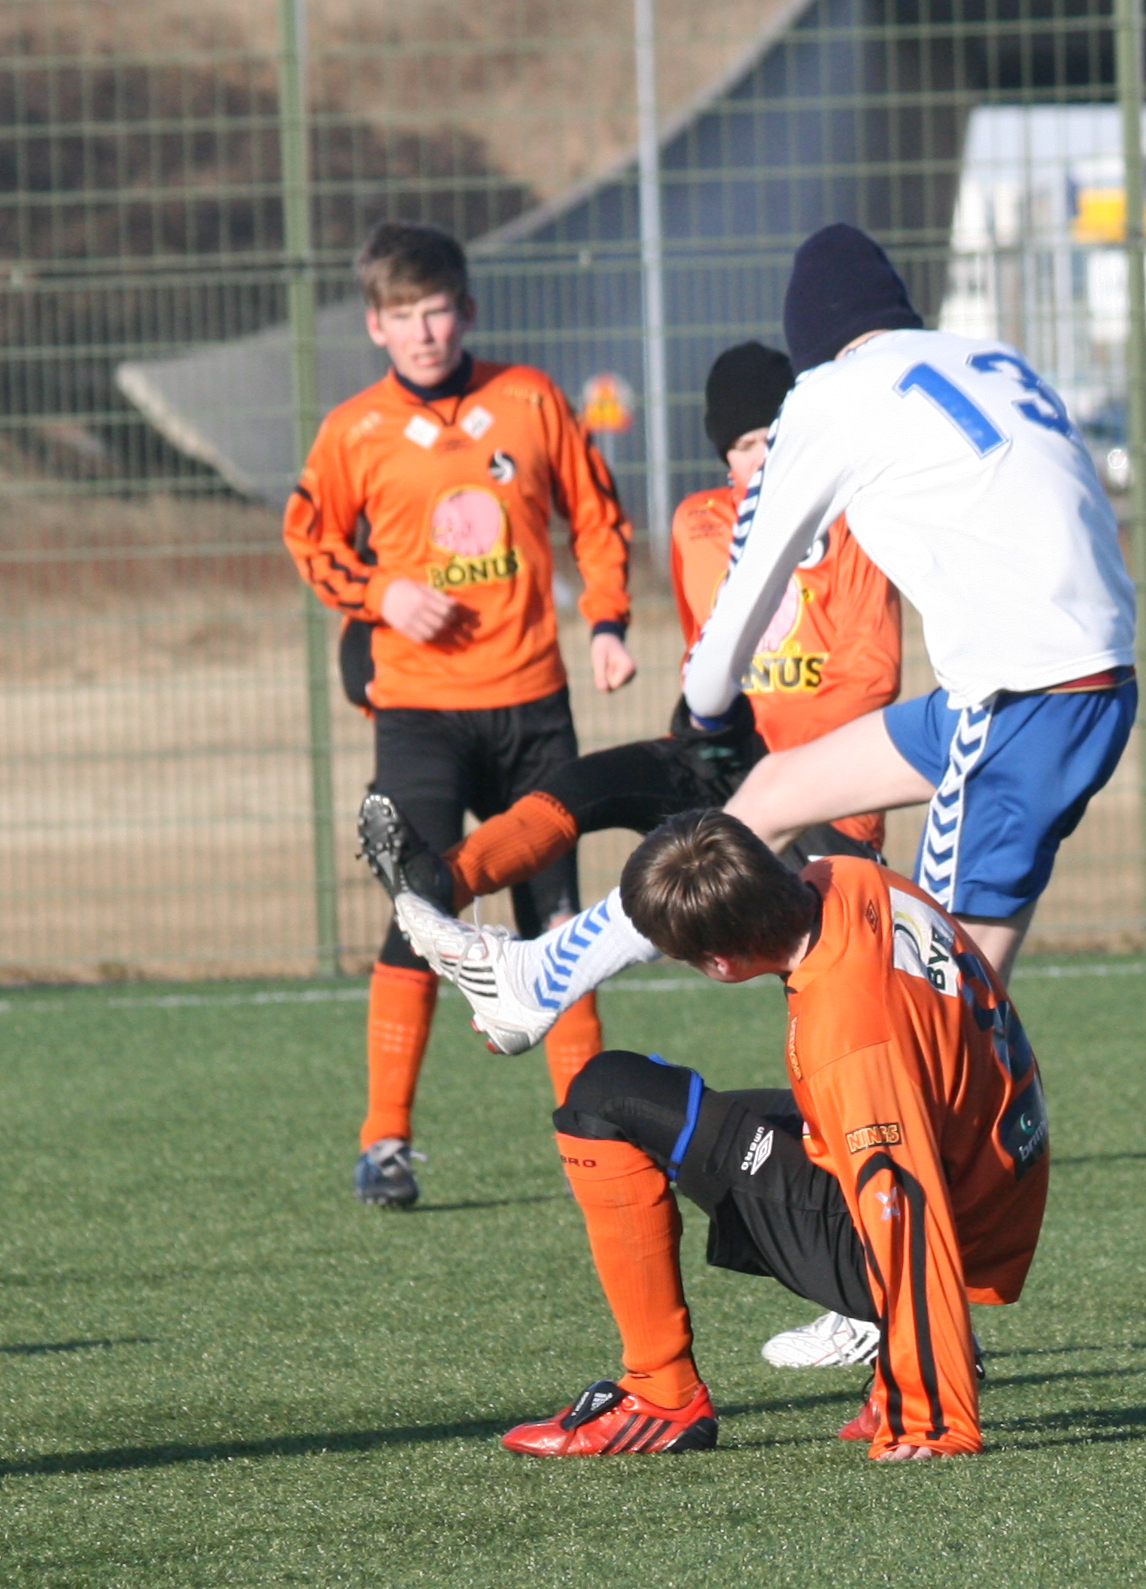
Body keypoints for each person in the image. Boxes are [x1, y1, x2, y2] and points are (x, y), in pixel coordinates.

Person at [395, 222, 1135, 1051]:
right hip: (1067, 685)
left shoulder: (830, 393)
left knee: (933, 1017)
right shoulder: (989, 358)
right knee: (777, 798)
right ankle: (539, 980)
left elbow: (743, 597)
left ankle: (920, 1137)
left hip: (1017, 699)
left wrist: (707, 711)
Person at [354, 337, 906, 1374]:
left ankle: (875, 1291)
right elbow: (712, 655)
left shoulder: (853, 524)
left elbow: (867, 679)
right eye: (742, 446)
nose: (759, 460)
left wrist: (768, 769)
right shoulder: (700, 524)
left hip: (828, 790)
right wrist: (706, 730)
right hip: (742, 767)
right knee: (600, 786)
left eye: (775, 441)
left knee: (835, 1045)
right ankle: (442, 883)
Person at [500, 810, 1047, 1462]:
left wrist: (933, 1418)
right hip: (981, 1160)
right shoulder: (847, 877)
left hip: (948, 1220)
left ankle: (660, 1396)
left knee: (605, 1098)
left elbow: (905, 1206)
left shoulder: (849, 1038)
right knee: (670, 1112)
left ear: (721, 962)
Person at [283, 220, 636, 1209]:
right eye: (404, 317)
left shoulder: (529, 399)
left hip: (533, 710)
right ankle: (385, 1142)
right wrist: (381, 594)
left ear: (467, 311)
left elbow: (597, 516)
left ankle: (594, 1137)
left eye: (437, 311)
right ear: (375, 326)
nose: (424, 332)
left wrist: (608, 621)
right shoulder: (354, 431)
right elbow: (307, 537)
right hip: (420, 716)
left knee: (559, 926)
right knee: (420, 912)